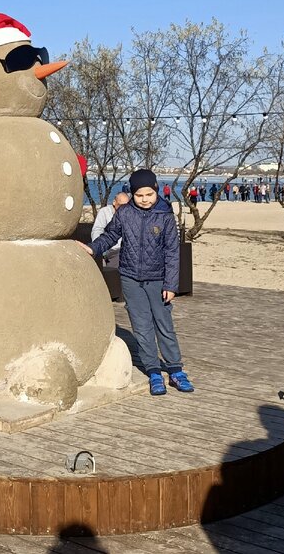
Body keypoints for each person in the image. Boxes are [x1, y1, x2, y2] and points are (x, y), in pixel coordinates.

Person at [87, 168, 194, 396]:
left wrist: (171, 285)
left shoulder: (165, 215)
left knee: (163, 324)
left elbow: (172, 252)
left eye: (149, 194)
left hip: (159, 280)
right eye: (139, 195)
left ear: (156, 190)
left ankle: (175, 369)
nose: (144, 199)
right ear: (132, 194)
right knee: (142, 326)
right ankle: (154, 371)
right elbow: (109, 236)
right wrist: (92, 248)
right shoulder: (124, 213)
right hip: (131, 278)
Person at [90, 191, 129, 271]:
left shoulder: (129, 214)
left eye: (126, 206)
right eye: (121, 205)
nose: (124, 209)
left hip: (119, 250)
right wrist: (99, 247)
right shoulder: (104, 212)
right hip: (106, 248)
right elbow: (97, 229)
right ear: (114, 202)